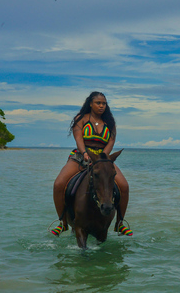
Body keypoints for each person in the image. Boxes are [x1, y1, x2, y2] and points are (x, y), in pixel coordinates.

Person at [50, 91, 133, 237]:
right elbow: (78, 138)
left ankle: (120, 223)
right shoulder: (81, 119)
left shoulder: (110, 122)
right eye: (98, 103)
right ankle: (62, 223)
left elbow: (111, 141)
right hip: (80, 156)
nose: (101, 106)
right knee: (58, 184)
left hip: (102, 158)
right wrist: (85, 153)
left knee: (124, 186)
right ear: (90, 104)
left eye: (104, 103)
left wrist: (103, 157)